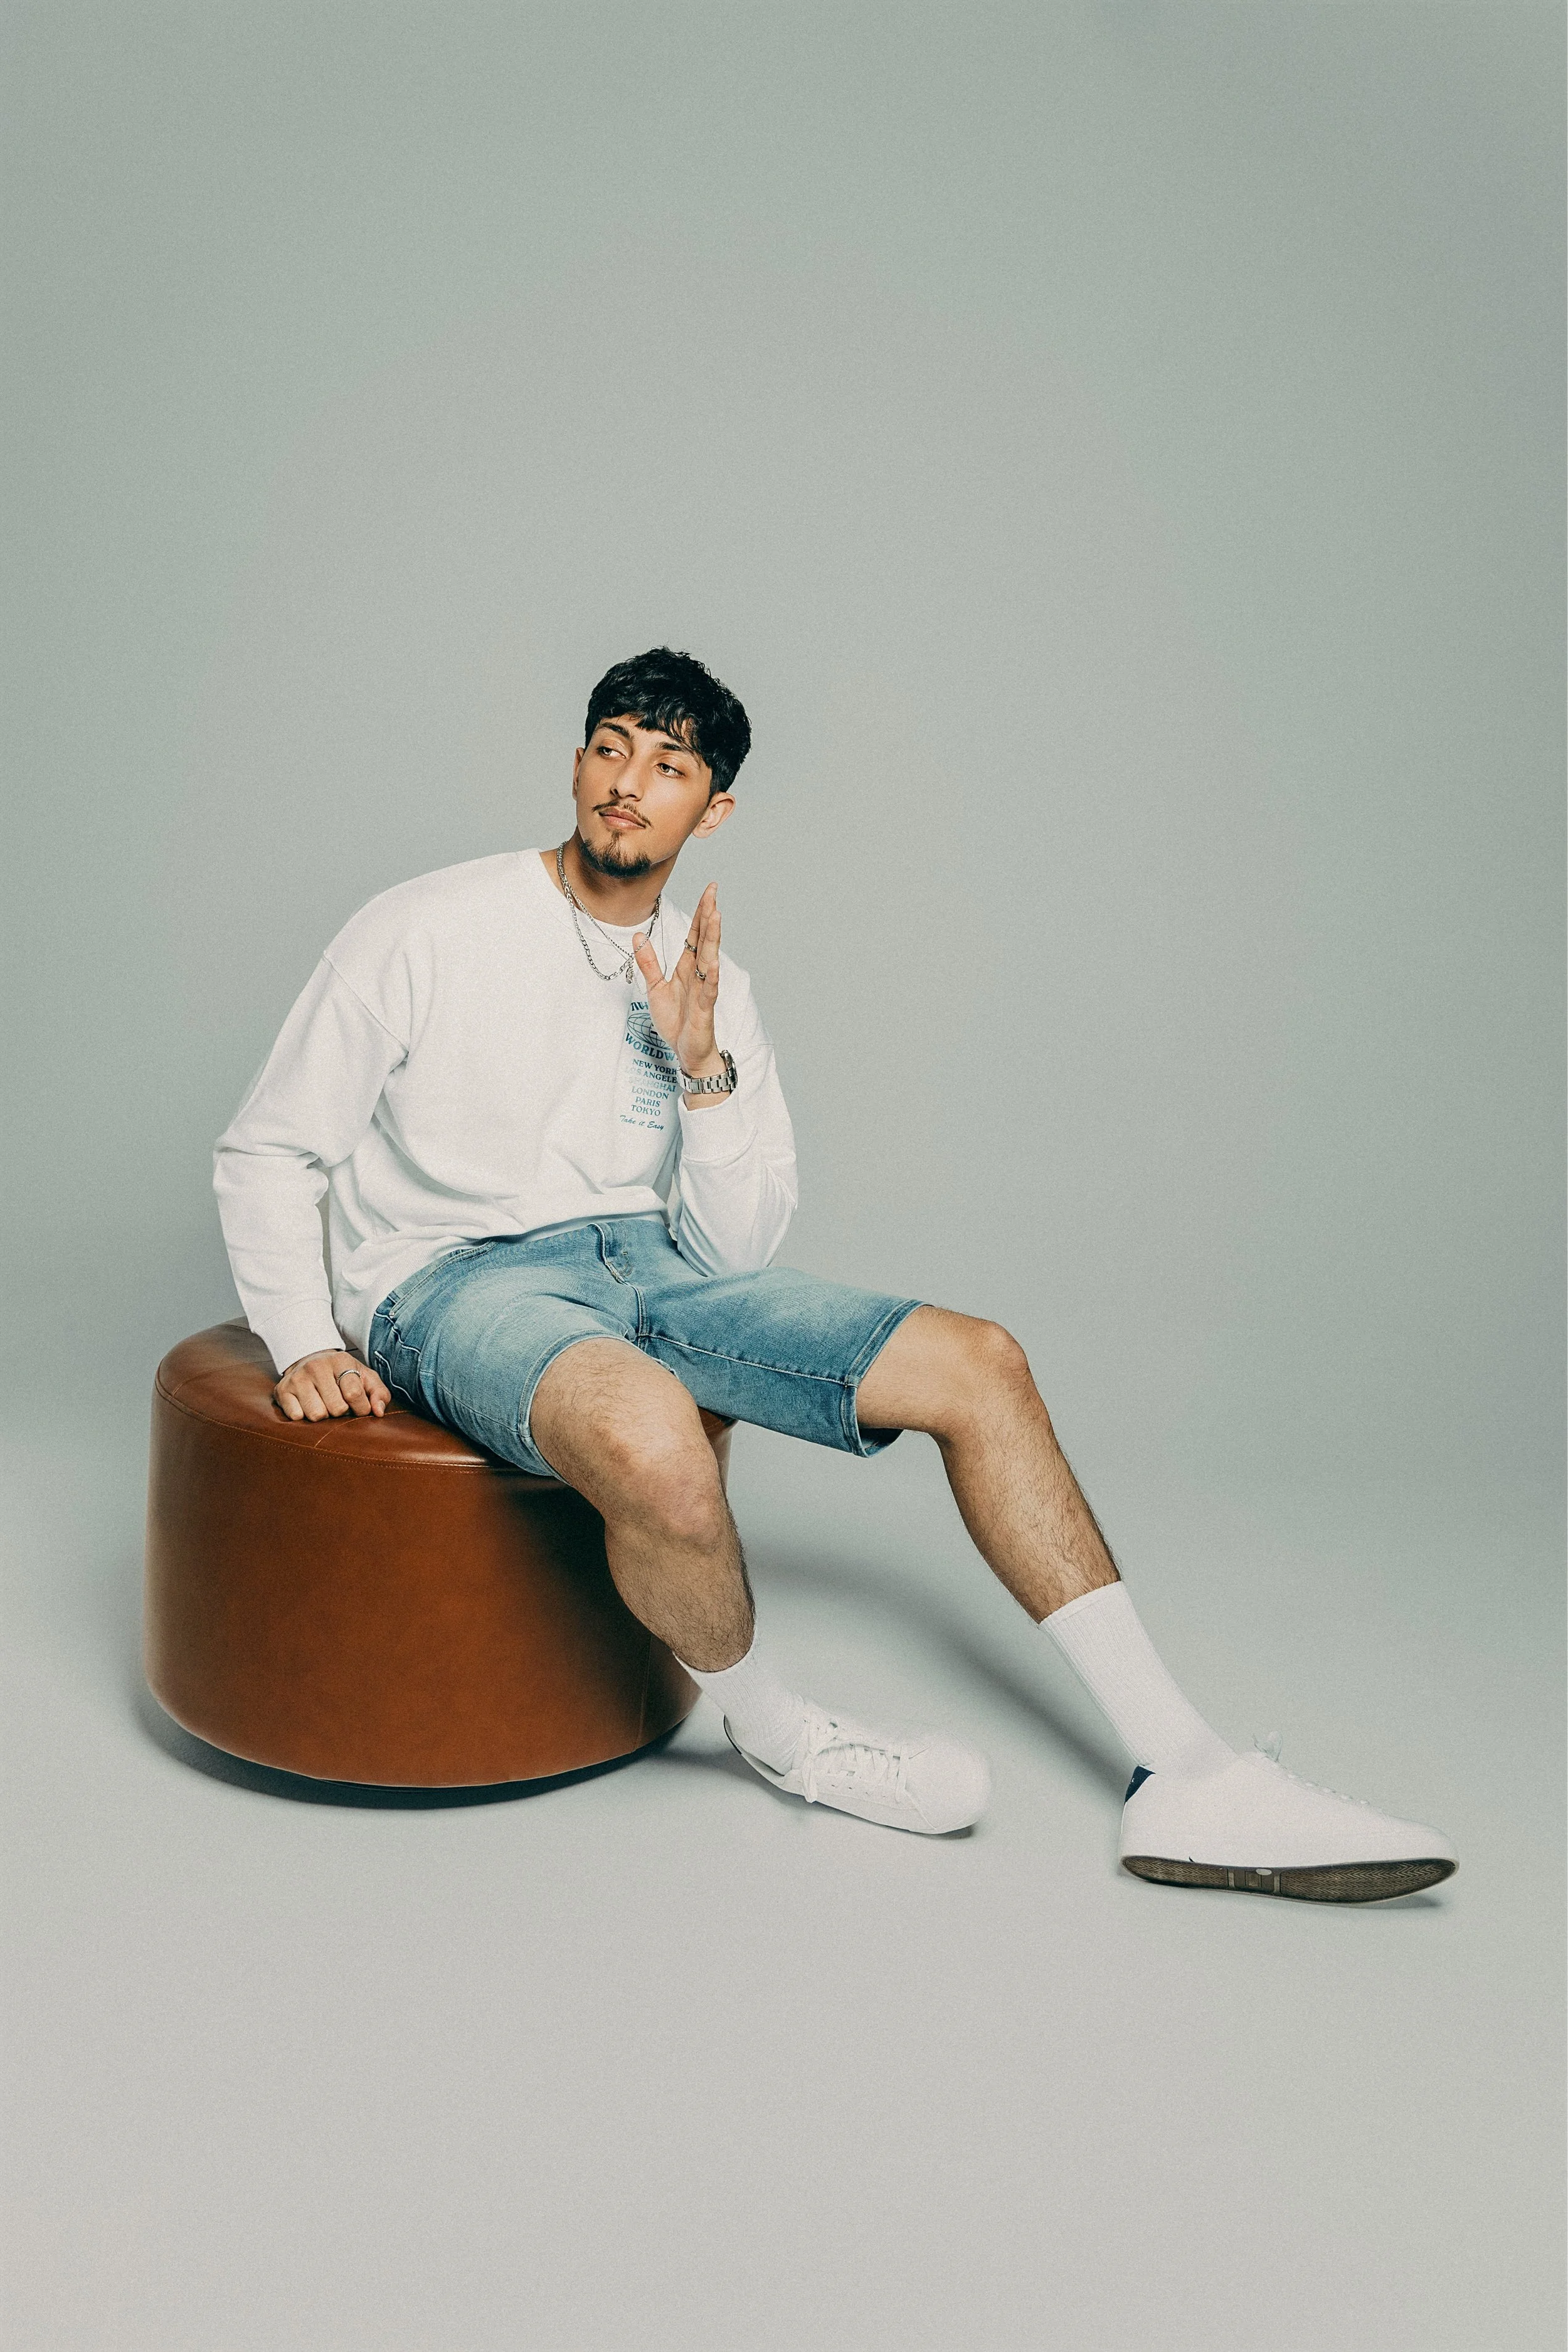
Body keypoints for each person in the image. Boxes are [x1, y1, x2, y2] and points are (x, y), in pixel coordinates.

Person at [214, 646, 1456, 1901]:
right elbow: (269, 1147)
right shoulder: (424, 925)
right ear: (577, 762)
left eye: (669, 765)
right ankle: (778, 1733)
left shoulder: (711, 984)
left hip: (650, 1265)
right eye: (611, 748)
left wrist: (701, 1070)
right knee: (655, 1438)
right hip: (450, 1280)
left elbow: (734, 1252)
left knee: (981, 1363)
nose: (629, 783)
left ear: (713, 809)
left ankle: (1186, 1772)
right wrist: (304, 1336)